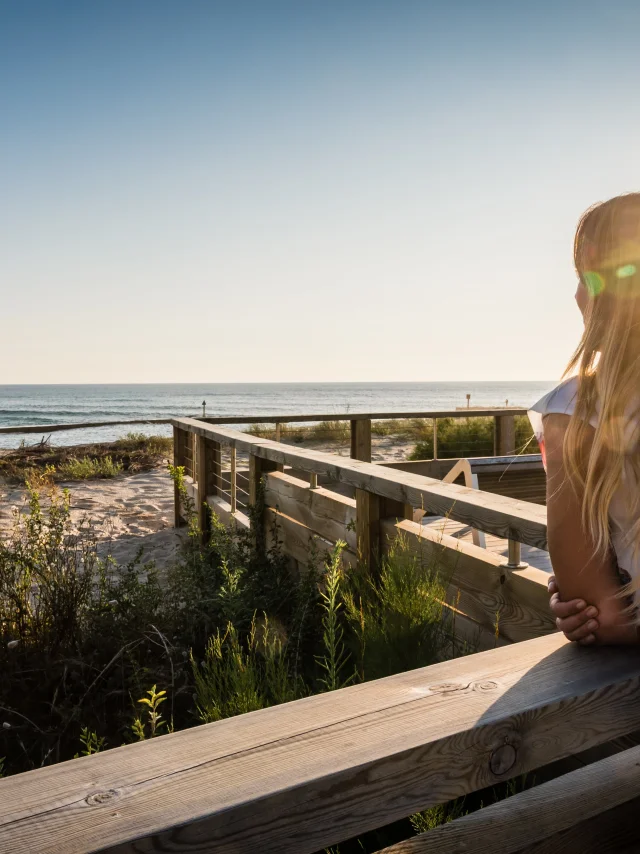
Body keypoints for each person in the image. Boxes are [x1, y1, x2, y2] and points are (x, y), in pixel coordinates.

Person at [530, 193, 640, 645]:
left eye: (583, 276)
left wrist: (586, 590)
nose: (577, 294)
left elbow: (599, 615)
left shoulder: (575, 408)